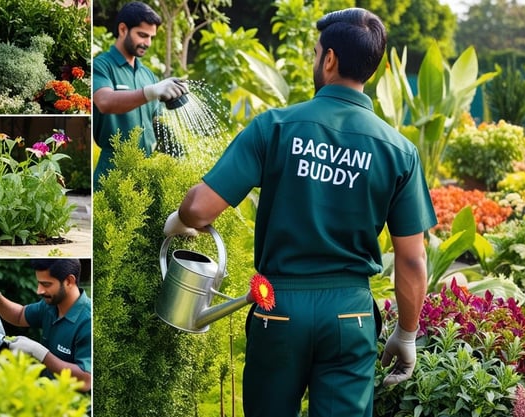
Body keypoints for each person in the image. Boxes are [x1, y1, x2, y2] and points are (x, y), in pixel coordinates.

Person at [163, 7, 437, 417]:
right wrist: (407, 333)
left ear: (329, 59)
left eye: (315, 53)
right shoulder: (399, 151)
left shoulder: (275, 127)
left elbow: (200, 208)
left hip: (280, 307)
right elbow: (413, 258)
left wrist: (181, 220)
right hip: (351, 314)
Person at [93, 1, 188, 188]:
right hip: (113, 170)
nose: (148, 43)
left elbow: (156, 122)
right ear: (123, 29)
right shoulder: (101, 66)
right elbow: (104, 101)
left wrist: (179, 153)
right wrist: (150, 92)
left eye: (151, 37)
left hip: (146, 171)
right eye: (142, 35)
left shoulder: (147, 75)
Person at [0, 259, 91, 393]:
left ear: (69, 281)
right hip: (47, 395)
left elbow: (86, 381)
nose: (39, 291)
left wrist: (39, 352)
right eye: (39, 283)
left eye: (46, 284)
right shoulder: (51, 306)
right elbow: (20, 315)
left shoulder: (88, 322)